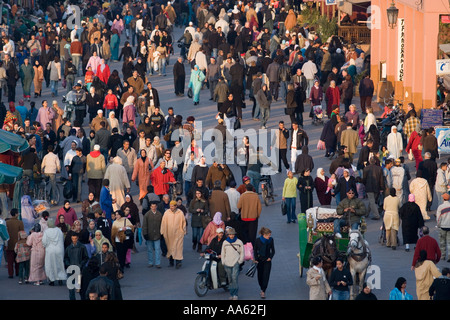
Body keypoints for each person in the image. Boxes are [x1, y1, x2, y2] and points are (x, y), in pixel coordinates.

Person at [160, 200, 187, 269]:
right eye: (170, 206)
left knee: (178, 248)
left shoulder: (180, 213)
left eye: (172, 206)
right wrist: (162, 231)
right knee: (170, 248)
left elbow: (183, 222)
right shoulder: (166, 213)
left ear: (176, 206)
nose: (171, 207)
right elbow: (163, 223)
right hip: (169, 234)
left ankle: (178, 262)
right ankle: (171, 262)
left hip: (178, 234)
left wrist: (183, 231)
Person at [221, 227, 244, 300]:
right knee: (230, 279)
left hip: (235, 263)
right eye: (230, 234)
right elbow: (223, 253)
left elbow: (242, 252)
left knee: (234, 278)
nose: (231, 236)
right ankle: (231, 293)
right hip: (227, 263)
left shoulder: (239, 242)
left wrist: (240, 261)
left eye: (233, 234)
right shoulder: (225, 242)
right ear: (228, 235)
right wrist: (223, 261)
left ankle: (235, 294)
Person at [254, 227, 275, 299]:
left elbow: (273, 250)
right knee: (260, 276)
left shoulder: (271, 240)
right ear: (264, 235)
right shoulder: (257, 240)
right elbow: (255, 250)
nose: (269, 236)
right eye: (268, 235)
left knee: (266, 276)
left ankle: (263, 290)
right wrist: (256, 259)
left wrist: (270, 257)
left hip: (267, 261)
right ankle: (261, 286)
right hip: (259, 260)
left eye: (270, 235)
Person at [142, 201, 162, 268]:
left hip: (157, 234)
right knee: (150, 250)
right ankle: (150, 262)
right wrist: (145, 234)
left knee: (157, 249)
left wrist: (161, 233)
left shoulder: (159, 214)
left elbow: (162, 225)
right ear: (150, 207)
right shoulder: (147, 215)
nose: (153, 208)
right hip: (149, 234)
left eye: (155, 206)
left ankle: (157, 263)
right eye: (152, 206)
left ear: (156, 207)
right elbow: (144, 225)